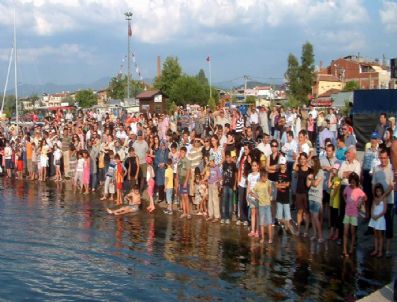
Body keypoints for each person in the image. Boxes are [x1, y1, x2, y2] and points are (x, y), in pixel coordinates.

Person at [371, 148, 394, 258]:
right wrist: (375, 198)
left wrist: (382, 197)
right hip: (377, 201)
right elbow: (373, 184)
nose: (383, 160)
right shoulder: (376, 168)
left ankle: (388, 248)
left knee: (388, 224)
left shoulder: (392, 169)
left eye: (385, 158)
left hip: (388, 201)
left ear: (388, 157)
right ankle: (378, 247)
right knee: (377, 225)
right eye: (381, 158)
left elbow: (391, 186)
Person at [342, 172, 367, 257]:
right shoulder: (347, 188)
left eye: (354, 182)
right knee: (345, 232)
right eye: (351, 182)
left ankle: (351, 248)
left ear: (356, 182)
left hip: (354, 214)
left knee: (353, 232)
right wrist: (345, 201)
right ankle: (345, 249)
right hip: (347, 213)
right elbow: (344, 195)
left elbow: (365, 197)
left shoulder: (359, 190)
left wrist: (360, 203)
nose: (352, 183)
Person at [252, 168, 272, 244]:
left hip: (268, 205)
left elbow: (270, 189)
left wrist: (269, 194)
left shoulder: (268, 182)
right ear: (262, 177)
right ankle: (263, 238)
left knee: (269, 222)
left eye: (267, 177)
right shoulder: (257, 184)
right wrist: (257, 198)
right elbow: (251, 192)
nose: (266, 178)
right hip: (261, 206)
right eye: (265, 177)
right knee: (262, 223)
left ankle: (270, 238)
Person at [307, 156, 324, 243]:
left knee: (315, 216)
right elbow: (308, 184)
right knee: (312, 217)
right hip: (311, 195)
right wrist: (309, 178)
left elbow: (316, 184)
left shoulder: (320, 172)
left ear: (316, 163)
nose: (311, 164)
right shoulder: (311, 172)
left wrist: (311, 178)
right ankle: (314, 234)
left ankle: (320, 236)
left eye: (312, 162)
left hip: (317, 197)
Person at [294, 152, 310, 236]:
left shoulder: (310, 169)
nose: (303, 160)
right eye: (301, 159)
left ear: (306, 159)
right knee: (299, 211)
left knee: (306, 212)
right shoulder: (298, 167)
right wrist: (297, 158)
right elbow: (294, 168)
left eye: (304, 159)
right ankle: (298, 229)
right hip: (299, 192)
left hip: (306, 193)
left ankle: (306, 231)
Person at [369, 183, 387, 258]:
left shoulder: (384, 199)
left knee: (380, 236)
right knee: (375, 235)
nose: (378, 193)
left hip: (380, 218)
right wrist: (372, 215)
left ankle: (380, 251)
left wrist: (378, 216)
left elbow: (384, 210)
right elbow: (372, 207)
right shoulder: (374, 199)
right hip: (374, 218)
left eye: (379, 191)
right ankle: (376, 250)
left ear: (382, 191)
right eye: (377, 191)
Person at [221, 151, 237, 224]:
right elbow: (223, 174)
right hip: (225, 184)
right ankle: (223, 216)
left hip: (231, 185)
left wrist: (235, 185)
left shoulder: (234, 165)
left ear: (231, 157)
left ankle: (228, 217)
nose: (228, 159)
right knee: (224, 201)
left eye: (229, 157)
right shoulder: (224, 164)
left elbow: (236, 175)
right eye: (226, 157)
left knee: (230, 201)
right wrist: (221, 183)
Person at [176, 146, 191, 219]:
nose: (181, 153)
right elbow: (178, 172)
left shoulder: (187, 161)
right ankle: (184, 212)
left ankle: (188, 213)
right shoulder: (179, 161)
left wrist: (186, 182)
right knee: (182, 196)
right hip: (180, 179)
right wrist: (177, 182)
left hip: (185, 179)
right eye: (180, 152)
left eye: (182, 152)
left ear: (185, 153)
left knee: (186, 196)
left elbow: (188, 172)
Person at [247, 160, 261, 238]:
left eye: (255, 165)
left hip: (257, 196)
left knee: (257, 214)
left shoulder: (259, 175)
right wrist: (247, 197)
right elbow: (248, 187)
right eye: (252, 165)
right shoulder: (250, 175)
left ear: (258, 166)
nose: (254, 167)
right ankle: (252, 230)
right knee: (253, 213)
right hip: (251, 197)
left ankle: (257, 231)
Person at [328, 162, 341, 241]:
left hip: (336, 201)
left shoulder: (338, 179)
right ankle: (331, 232)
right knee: (332, 217)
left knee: (336, 218)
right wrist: (330, 177)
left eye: (335, 169)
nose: (334, 171)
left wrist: (332, 196)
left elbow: (335, 189)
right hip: (332, 201)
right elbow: (329, 186)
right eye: (333, 169)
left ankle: (336, 233)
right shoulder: (333, 178)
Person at [207, 156, 222, 222]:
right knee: (210, 200)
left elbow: (220, 177)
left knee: (215, 200)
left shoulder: (217, 168)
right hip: (209, 184)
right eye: (209, 161)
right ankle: (211, 215)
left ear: (213, 161)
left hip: (214, 185)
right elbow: (208, 176)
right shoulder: (209, 168)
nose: (210, 163)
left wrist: (217, 183)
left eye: (211, 161)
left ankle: (217, 216)